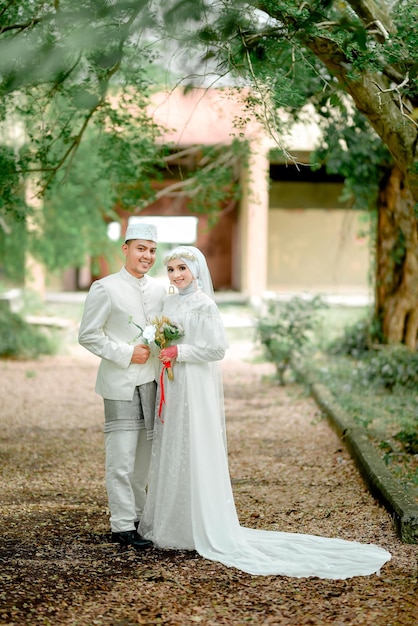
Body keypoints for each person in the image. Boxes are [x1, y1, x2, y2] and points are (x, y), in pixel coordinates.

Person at [140, 245, 391, 578]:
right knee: (174, 442)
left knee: (195, 442)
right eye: (170, 269)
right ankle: (173, 523)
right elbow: (161, 337)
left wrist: (179, 350)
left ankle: (199, 523)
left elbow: (216, 348)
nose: (176, 275)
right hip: (174, 382)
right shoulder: (169, 302)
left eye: (182, 268)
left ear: (196, 270)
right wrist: (162, 347)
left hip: (195, 385)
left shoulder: (205, 305)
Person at [78, 222, 166, 550]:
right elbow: (88, 334)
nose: (147, 256)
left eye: (152, 250)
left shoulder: (160, 290)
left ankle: (140, 519)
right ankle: (121, 525)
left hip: (154, 384)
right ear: (125, 249)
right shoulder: (105, 288)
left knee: (145, 459)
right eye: (141, 248)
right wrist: (127, 353)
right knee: (121, 459)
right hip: (120, 383)